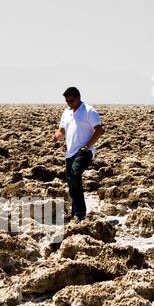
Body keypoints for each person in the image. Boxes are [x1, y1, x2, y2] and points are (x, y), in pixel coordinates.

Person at [53, 86, 104, 221]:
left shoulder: (89, 111)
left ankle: (80, 211)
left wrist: (87, 146)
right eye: (67, 101)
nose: (69, 103)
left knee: (75, 174)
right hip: (70, 153)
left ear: (78, 98)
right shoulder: (66, 112)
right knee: (71, 181)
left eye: (72, 100)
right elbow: (62, 130)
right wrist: (56, 136)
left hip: (84, 151)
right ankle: (75, 212)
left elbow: (99, 130)